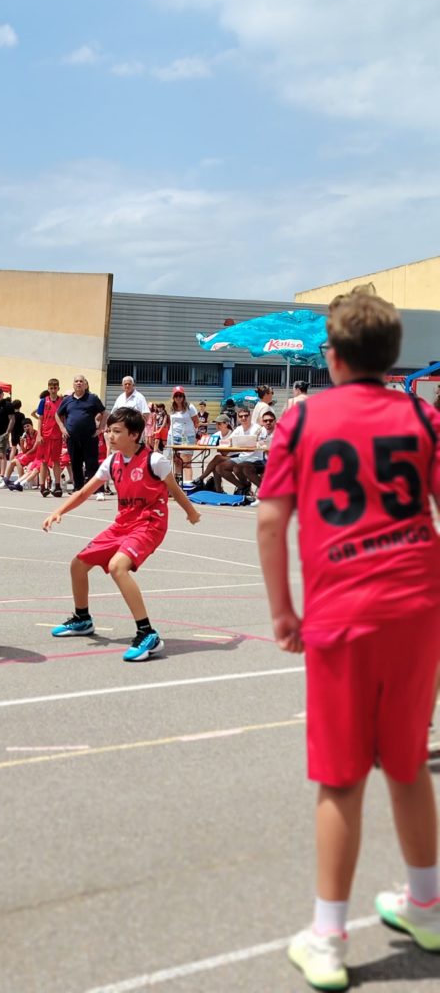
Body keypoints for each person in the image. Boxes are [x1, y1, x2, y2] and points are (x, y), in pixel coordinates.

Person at [257, 288, 440, 991]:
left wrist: (283, 610)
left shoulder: (302, 420)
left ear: (331, 356)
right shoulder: (423, 416)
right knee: (408, 762)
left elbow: (271, 520)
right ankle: (427, 903)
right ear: (392, 357)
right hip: (418, 607)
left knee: (341, 777)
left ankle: (329, 938)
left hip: (343, 611)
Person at [44, 407, 200, 661]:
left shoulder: (155, 461)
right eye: (109, 431)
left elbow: (175, 490)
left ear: (134, 435)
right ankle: (82, 619)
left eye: (117, 431)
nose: (110, 436)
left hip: (149, 524)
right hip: (123, 524)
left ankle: (147, 633)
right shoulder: (112, 462)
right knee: (78, 565)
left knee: (118, 566)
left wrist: (191, 512)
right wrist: (58, 511)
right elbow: (84, 492)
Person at [56, 374, 106, 492]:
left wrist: (100, 429)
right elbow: (57, 414)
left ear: (85, 384)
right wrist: (62, 428)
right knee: (75, 463)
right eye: (76, 381)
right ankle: (78, 488)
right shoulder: (67, 400)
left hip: (89, 437)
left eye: (81, 381)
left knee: (92, 463)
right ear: (73, 384)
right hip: (72, 438)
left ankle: (98, 490)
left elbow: (104, 413)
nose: (79, 383)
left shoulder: (92, 398)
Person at [35, 379, 64, 498]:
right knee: (44, 461)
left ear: (58, 388)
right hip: (45, 435)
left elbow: (64, 417)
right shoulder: (43, 401)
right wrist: (39, 434)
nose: (53, 390)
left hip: (57, 435)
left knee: (56, 461)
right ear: (48, 389)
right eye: (51, 388)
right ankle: (43, 486)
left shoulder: (62, 401)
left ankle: (57, 486)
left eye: (55, 388)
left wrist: (64, 431)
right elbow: (40, 418)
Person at [165, 386, 198, 482]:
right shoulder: (171, 408)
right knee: (176, 461)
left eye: (180, 395)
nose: (178, 398)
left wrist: (194, 434)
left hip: (187, 437)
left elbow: (196, 421)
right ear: (173, 397)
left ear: (184, 397)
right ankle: (178, 484)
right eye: (176, 395)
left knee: (186, 462)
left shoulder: (190, 407)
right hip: (173, 436)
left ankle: (188, 485)